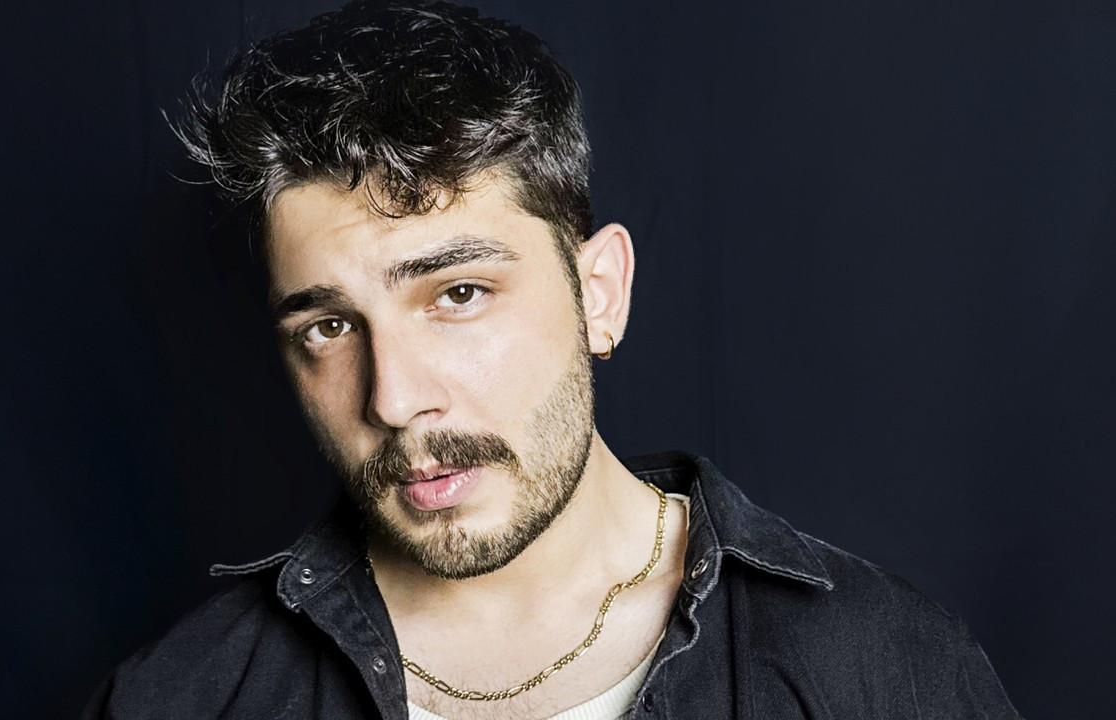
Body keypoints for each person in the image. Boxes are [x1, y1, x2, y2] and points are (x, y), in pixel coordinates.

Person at [85, 1, 1020, 718]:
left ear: (599, 293)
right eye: (328, 327)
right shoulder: (182, 699)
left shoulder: (878, 668)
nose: (396, 400)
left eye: (458, 294)